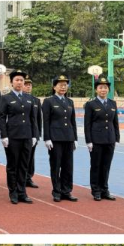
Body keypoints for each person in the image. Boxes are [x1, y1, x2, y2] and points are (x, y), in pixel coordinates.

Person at [0, 71, 40, 204]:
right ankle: (13, 192)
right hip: (13, 136)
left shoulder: (29, 98)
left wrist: (34, 135)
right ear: (11, 82)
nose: (19, 82)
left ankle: (22, 192)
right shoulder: (6, 98)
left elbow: (33, 118)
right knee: (13, 165)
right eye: (17, 80)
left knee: (24, 165)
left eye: (21, 80)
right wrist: (4, 135)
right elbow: (1, 117)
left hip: (27, 135)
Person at [42, 74, 79, 202]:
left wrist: (75, 138)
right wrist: (47, 138)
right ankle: (57, 191)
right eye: (60, 85)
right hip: (55, 138)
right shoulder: (48, 101)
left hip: (68, 137)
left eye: (65, 85)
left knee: (68, 166)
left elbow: (72, 121)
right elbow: (46, 121)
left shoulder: (69, 102)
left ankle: (66, 191)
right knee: (56, 165)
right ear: (54, 87)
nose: (63, 87)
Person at [84, 76, 121, 201]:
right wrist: (89, 141)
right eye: (100, 87)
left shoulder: (112, 103)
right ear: (96, 89)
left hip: (110, 139)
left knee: (106, 166)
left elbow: (115, 122)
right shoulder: (90, 104)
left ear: (108, 89)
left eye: (105, 87)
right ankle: (96, 190)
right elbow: (87, 124)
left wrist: (117, 138)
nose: (103, 90)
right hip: (96, 140)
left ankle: (104, 189)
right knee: (96, 165)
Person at [23, 76, 42, 188]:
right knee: (23, 157)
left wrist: (38, 134)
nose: (28, 87)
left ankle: (28, 177)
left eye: (30, 85)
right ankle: (21, 177)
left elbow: (38, 119)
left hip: (33, 133)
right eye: (26, 85)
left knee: (31, 157)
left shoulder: (36, 100)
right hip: (22, 133)